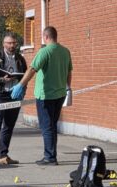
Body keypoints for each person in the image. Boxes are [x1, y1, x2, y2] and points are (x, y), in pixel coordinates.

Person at [11, 26, 72, 165]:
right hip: (60, 94)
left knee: (47, 127)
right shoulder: (65, 51)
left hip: (45, 95)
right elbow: (69, 72)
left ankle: (50, 157)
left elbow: (32, 69)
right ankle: (51, 154)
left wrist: (20, 85)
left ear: (46, 37)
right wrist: (68, 87)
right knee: (52, 125)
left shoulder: (45, 52)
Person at [0, 34, 27, 166]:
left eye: (14, 43)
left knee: (9, 126)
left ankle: (3, 155)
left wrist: (22, 91)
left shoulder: (20, 59)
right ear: (4, 44)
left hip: (14, 94)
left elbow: (25, 76)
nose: (12, 46)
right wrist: (2, 80)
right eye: (9, 43)